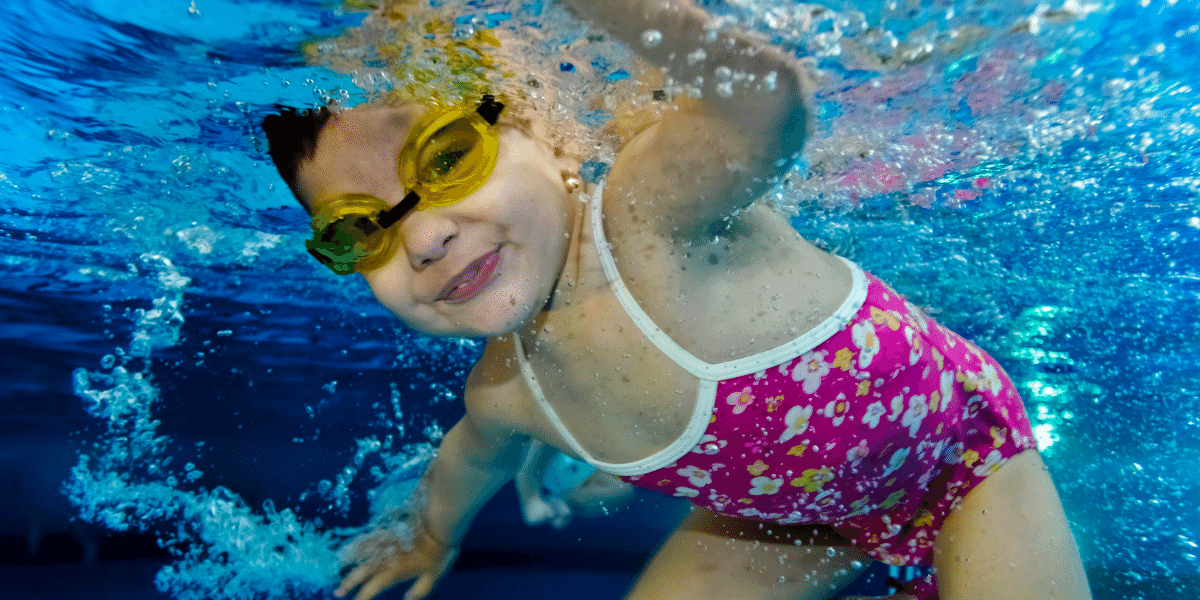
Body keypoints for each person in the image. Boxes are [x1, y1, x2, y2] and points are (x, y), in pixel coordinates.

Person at [261, 1, 1091, 599]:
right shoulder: (509, 391)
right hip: (789, 523)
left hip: (960, 464)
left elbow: (766, 105)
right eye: (357, 229)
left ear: (545, 137)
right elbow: (467, 460)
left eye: (447, 159)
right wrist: (431, 537)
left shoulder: (645, 213)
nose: (423, 238)